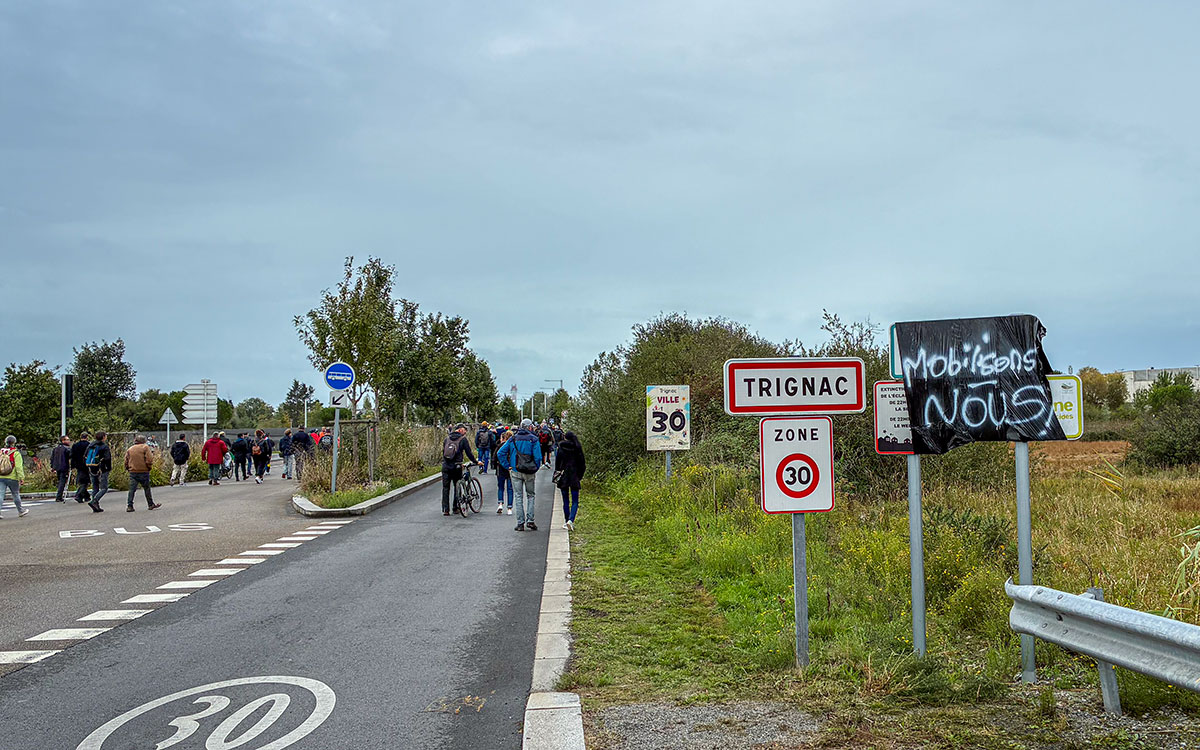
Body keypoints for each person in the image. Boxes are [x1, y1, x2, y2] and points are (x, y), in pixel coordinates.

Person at [497, 418, 541, 531]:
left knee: (518, 496)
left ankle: (520, 523)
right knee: (530, 495)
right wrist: (536, 467)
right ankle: (530, 520)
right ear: (530, 427)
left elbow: (500, 453)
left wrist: (507, 466)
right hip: (530, 471)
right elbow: (538, 457)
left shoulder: (513, 439)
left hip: (516, 471)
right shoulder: (534, 439)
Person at [440, 423, 479, 516]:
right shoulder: (463, 439)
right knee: (457, 486)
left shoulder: (447, 439)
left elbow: (444, 452)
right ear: (461, 430)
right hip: (457, 466)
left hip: (445, 466)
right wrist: (476, 462)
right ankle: (455, 508)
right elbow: (469, 453)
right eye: (465, 430)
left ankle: (446, 509)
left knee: (445, 488)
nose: (465, 432)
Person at [554, 431, 586, 531]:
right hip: (575, 476)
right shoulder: (577, 448)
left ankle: (566, 520)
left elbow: (557, 463)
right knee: (575, 500)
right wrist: (579, 476)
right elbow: (582, 464)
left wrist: (558, 472)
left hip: (564, 476)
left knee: (565, 500)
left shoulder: (561, 448)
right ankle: (571, 520)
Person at [124, 435, 161, 512]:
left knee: (132, 489)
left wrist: (128, 468)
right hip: (144, 471)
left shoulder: (130, 449)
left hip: (133, 471)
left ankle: (130, 505)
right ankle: (150, 504)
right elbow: (149, 459)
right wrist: (149, 467)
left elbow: (126, 460)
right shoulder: (145, 447)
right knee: (147, 488)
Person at [0, 435, 27, 518]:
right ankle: (20, 511)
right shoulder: (15, 453)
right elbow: (18, 467)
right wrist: (21, 478)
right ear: (14, 443)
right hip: (12, 477)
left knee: (0, 495)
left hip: (1, 476)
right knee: (15, 494)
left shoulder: (1, 452)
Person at [86, 431, 111, 513]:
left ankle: (95, 506)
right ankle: (95, 501)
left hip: (92, 468)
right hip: (102, 468)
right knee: (104, 488)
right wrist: (108, 468)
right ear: (103, 437)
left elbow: (85, 456)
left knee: (95, 486)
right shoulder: (104, 447)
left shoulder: (90, 445)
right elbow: (107, 458)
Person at [495, 429, 514, 515]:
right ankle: (509, 508)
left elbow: (495, 457)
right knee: (510, 488)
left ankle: (500, 504)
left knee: (501, 487)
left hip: (500, 468)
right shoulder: (513, 446)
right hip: (511, 468)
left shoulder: (500, 446)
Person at [70, 431, 92, 503]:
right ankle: (79, 495)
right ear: (87, 437)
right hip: (86, 465)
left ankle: (86, 496)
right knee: (85, 481)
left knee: (82, 480)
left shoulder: (75, 445)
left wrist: (72, 465)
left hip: (78, 465)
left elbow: (72, 456)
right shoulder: (89, 445)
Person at [51, 435, 71, 502]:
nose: (69, 441)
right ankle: (59, 496)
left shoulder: (56, 448)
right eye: (67, 440)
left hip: (57, 467)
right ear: (63, 441)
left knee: (60, 481)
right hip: (64, 467)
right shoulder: (66, 449)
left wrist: (53, 467)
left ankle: (59, 495)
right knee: (62, 482)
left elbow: (52, 458)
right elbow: (70, 456)